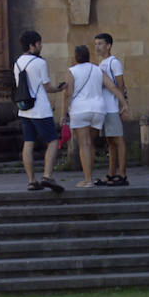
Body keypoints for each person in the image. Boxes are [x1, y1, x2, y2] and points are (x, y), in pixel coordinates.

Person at [64, 44, 130, 188]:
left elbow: (68, 94)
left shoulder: (72, 71)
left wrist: (64, 114)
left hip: (80, 110)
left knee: (84, 144)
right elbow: (112, 87)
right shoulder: (98, 70)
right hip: (98, 111)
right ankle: (92, 177)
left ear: (76, 57)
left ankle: (88, 179)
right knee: (90, 143)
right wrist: (123, 103)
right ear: (88, 56)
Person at [14, 30, 66, 192]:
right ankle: (47, 176)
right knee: (52, 141)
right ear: (32, 45)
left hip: (24, 109)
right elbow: (47, 86)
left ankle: (31, 181)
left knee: (28, 143)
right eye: (39, 43)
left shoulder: (17, 62)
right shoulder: (39, 63)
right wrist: (59, 89)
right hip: (40, 108)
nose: (41, 46)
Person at [94, 32, 130, 186]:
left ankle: (122, 174)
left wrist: (123, 106)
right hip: (105, 108)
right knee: (110, 141)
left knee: (118, 140)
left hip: (113, 108)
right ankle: (111, 173)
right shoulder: (101, 63)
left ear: (108, 45)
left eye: (100, 43)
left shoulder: (114, 62)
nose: (97, 47)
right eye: (96, 44)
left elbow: (121, 85)